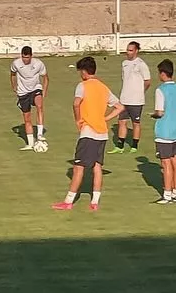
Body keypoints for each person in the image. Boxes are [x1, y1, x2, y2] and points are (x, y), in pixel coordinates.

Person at [52, 57, 124, 211]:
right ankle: (95, 201)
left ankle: (68, 201)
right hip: (102, 133)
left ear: (84, 72)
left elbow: (76, 103)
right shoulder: (104, 88)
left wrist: (78, 119)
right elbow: (119, 107)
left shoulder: (82, 86)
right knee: (97, 167)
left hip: (88, 132)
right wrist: (106, 118)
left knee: (79, 167)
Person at [151, 60, 176, 204]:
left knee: (166, 163)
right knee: (175, 162)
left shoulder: (160, 90)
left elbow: (160, 112)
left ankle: (167, 194)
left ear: (163, 73)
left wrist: (153, 115)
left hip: (164, 130)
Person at [109, 41, 151, 154]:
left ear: (136, 51)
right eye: (127, 50)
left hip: (136, 100)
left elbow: (147, 81)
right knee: (122, 121)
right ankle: (120, 145)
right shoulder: (124, 63)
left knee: (135, 123)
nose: (128, 52)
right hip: (124, 99)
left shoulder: (141, 64)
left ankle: (134, 145)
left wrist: (141, 92)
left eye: (131, 50)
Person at [10, 46, 48, 150]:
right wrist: (14, 86)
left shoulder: (38, 64)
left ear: (31, 56)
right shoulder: (16, 64)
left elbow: (45, 77)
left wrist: (44, 91)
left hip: (36, 89)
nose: (25, 60)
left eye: (27, 57)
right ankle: (30, 144)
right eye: (23, 57)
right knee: (27, 118)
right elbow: (12, 74)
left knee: (39, 106)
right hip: (23, 92)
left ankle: (39, 135)